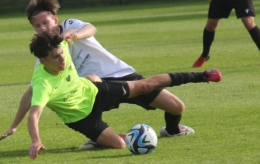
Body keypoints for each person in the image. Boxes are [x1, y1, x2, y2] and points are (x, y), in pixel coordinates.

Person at [0, 0, 202, 150]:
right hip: (94, 89)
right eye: (38, 26)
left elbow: (92, 29)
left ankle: (172, 130)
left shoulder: (70, 26)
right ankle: (98, 137)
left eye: (46, 22)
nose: (43, 28)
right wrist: (14, 125)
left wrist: (76, 36)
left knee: (176, 107)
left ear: (56, 19)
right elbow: (31, 94)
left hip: (121, 75)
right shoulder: (44, 58)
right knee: (92, 89)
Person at [28, 30, 221, 160]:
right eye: (56, 57)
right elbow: (34, 115)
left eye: (62, 53)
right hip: (82, 118)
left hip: (97, 93)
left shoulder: (61, 48)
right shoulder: (42, 83)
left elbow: (85, 30)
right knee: (121, 145)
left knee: (146, 85)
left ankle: (201, 76)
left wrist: (75, 35)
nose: (62, 58)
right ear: (43, 61)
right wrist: (36, 140)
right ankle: (99, 139)